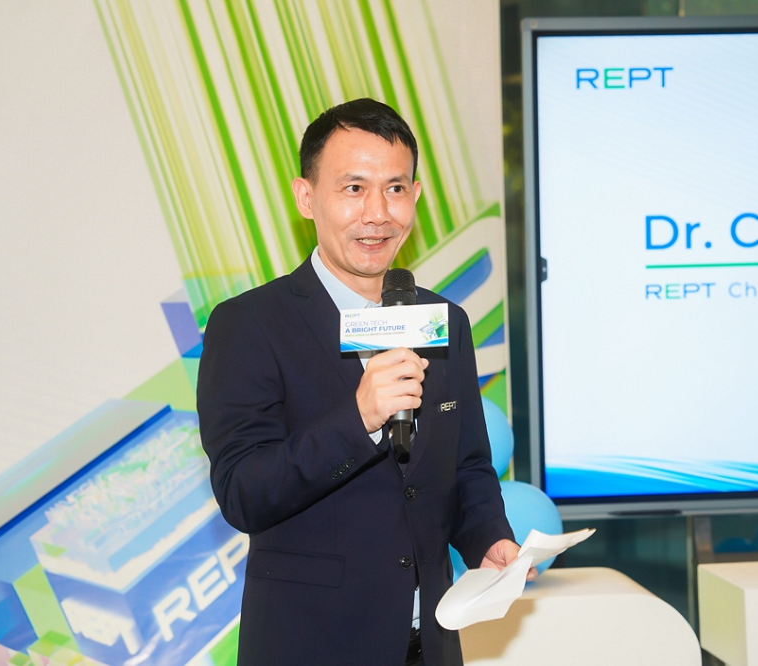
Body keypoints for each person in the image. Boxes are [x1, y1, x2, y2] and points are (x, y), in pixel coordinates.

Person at [197, 98, 529, 666]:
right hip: (312, 648)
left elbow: (467, 466)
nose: (377, 213)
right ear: (306, 197)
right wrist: (358, 420)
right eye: (354, 188)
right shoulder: (249, 325)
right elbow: (243, 493)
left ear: (415, 196)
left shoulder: (444, 321)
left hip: (431, 646)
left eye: (395, 189)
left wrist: (489, 539)